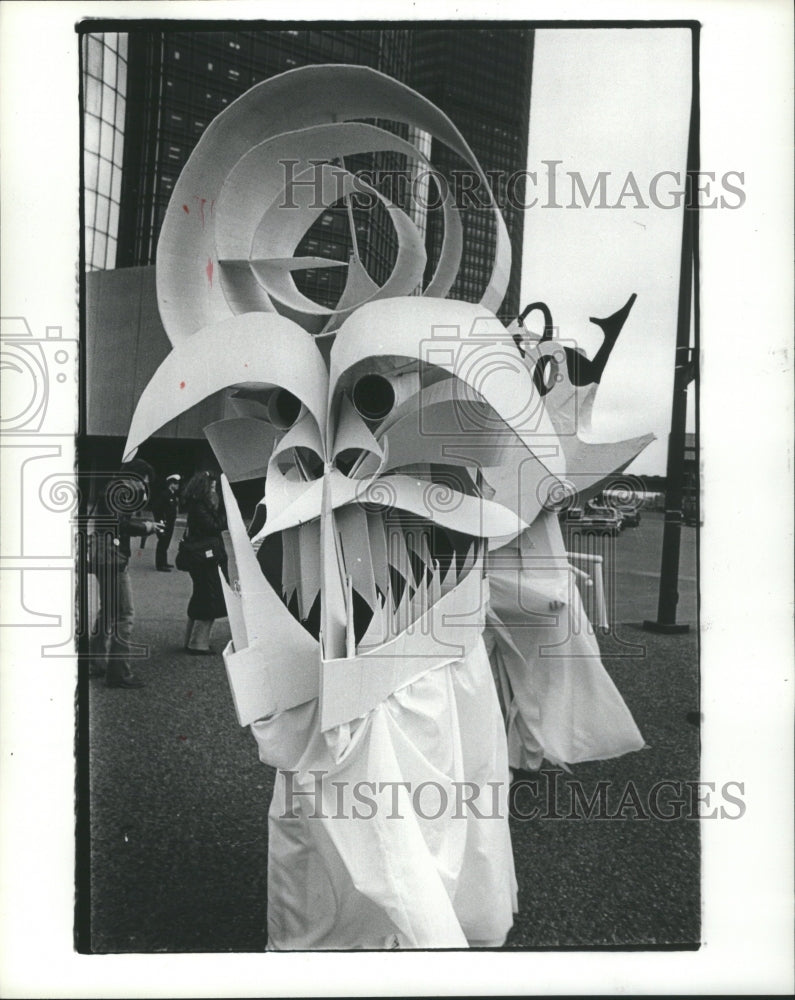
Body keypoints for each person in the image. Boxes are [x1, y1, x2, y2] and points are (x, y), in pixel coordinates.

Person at [89, 459, 165, 689]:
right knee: (125, 614)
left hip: (102, 555)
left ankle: (95, 662)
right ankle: (118, 672)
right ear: (137, 477)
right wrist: (147, 527)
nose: (144, 488)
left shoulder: (112, 488)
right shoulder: (124, 489)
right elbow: (120, 523)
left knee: (108, 611)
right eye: (144, 482)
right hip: (113, 557)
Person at [181, 471, 229, 653]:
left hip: (200, 556)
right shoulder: (202, 506)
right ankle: (198, 643)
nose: (214, 489)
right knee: (210, 598)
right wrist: (223, 512)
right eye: (212, 486)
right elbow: (215, 526)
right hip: (207, 558)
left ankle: (191, 639)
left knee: (201, 596)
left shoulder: (196, 504)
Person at [152, 473, 181, 571]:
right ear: (171, 484)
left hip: (170, 523)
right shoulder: (165, 494)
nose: (178, 485)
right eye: (176, 483)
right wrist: (160, 520)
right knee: (162, 542)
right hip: (164, 522)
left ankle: (164, 562)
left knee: (166, 542)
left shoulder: (172, 495)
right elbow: (156, 508)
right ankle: (160, 565)